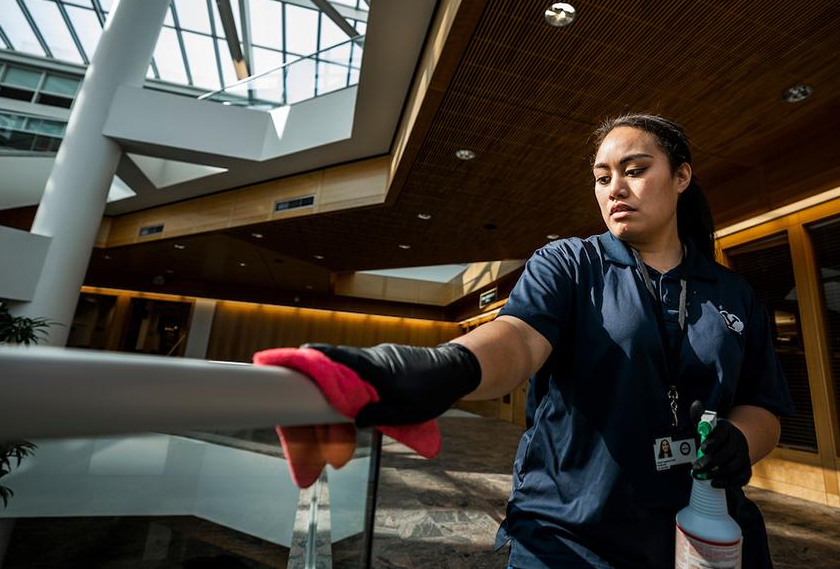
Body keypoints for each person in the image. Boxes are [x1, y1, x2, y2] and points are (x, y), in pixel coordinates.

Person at [304, 114, 794, 568]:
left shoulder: (733, 293)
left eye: (635, 170)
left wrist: (740, 442)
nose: (614, 189)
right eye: (602, 178)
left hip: (706, 538)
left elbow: (761, 406)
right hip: (570, 539)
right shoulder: (570, 264)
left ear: (682, 177)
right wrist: (449, 366)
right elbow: (518, 339)